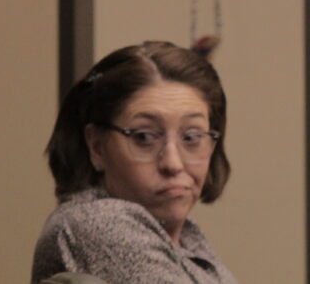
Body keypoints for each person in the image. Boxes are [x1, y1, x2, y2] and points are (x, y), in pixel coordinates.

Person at [32, 41, 238, 284]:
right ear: (97, 145)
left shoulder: (187, 235)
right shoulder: (97, 222)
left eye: (191, 137)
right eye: (144, 137)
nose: (173, 163)